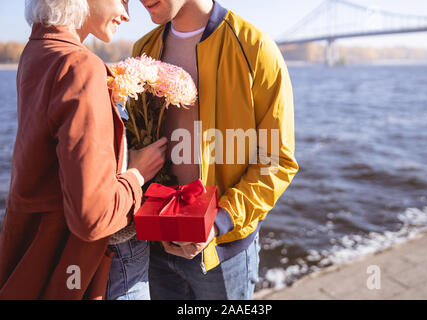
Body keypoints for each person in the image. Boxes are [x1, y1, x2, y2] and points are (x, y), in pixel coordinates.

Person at [0, 0, 167, 300]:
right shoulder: (80, 66)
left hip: (33, 263)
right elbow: (92, 218)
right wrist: (136, 174)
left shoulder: (36, 51)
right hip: (80, 273)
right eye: (123, 0)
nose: (128, 15)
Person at [134, 0, 299, 299]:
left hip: (223, 252)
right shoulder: (142, 50)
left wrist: (218, 222)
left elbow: (276, 161)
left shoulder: (255, 49)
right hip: (155, 245)